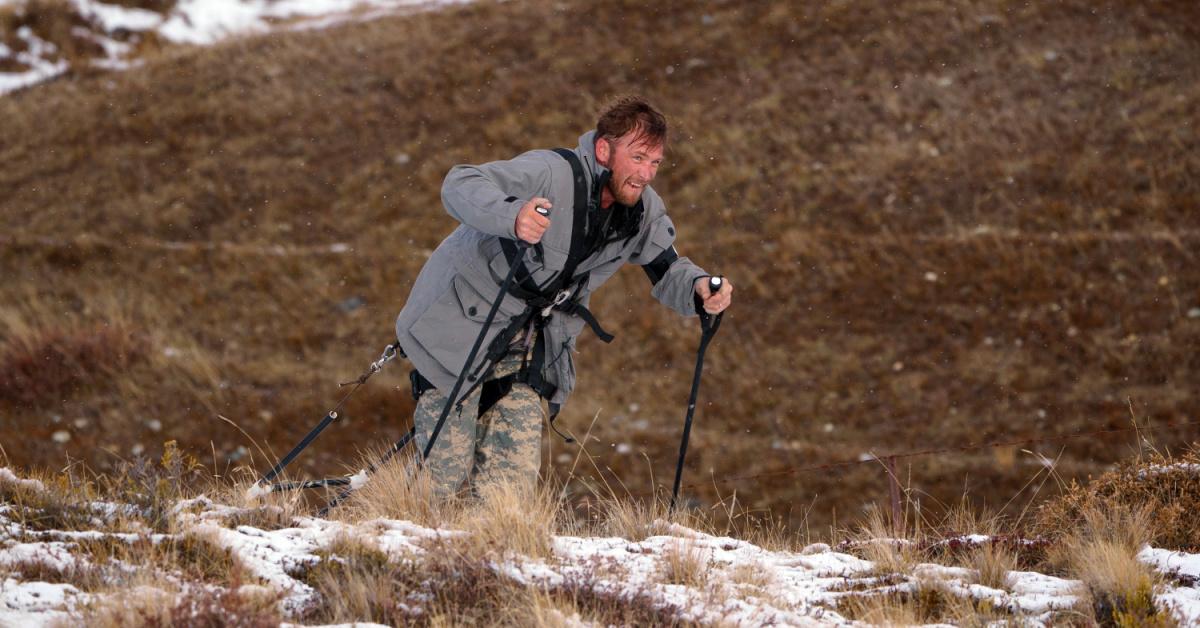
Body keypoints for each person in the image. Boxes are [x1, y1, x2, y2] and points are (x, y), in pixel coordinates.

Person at [394, 96, 733, 498]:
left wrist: (699, 287)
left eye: (655, 163)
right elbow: (460, 183)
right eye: (638, 157)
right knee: (441, 479)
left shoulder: (642, 211)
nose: (646, 174)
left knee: (510, 492)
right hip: (459, 331)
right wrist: (513, 215)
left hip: (531, 348)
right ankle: (401, 545)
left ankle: (492, 555)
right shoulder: (549, 172)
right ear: (604, 150)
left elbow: (666, 265)